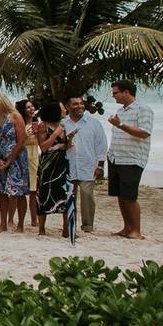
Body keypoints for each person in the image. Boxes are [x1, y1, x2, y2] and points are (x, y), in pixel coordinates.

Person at [107, 80, 154, 240]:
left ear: (126, 92)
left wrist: (120, 125)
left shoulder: (143, 109)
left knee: (130, 196)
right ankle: (127, 227)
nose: (113, 95)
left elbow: (144, 133)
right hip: (116, 157)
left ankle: (136, 230)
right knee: (120, 195)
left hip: (132, 159)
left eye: (115, 92)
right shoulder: (121, 110)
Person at [63, 95, 107, 234]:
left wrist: (100, 165)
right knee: (69, 196)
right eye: (75, 104)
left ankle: (88, 226)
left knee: (87, 195)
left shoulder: (94, 124)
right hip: (68, 165)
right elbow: (57, 144)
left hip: (88, 165)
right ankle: (70, 224)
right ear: (67, 106)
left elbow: (101, 146)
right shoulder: (63, 124)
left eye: (81, 103)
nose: (80, 106)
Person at [0, 92, 29, 233]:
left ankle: (20, 225)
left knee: (18, 192)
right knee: (2, 191)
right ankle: (3, 223)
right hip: (1, 159)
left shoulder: (15, 116)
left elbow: (21, 140)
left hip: (17, 159)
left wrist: (10, 159)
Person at [36, 101, 72, 237]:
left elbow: (63, 146)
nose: (64, 110)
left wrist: (68, 141)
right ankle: (41, 229)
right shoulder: (43, 126)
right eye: (62, 108)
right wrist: (55, 134)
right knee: (44, 193)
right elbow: (44, 147)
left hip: (62, 163)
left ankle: (66, 228)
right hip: (47, 165)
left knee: (65, 194)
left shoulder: (63, 125)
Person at [16, 99, 40, 228]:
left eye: (32, 106)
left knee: (33, 190)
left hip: (34, 156)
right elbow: (18, 141)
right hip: (22, 156)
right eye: (28, 107)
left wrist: (39, 134)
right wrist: (27, 135)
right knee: (20, 191)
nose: (31, 109)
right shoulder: (20, 124)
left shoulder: (37, 123)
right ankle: (17, 219)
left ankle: (34, 219)